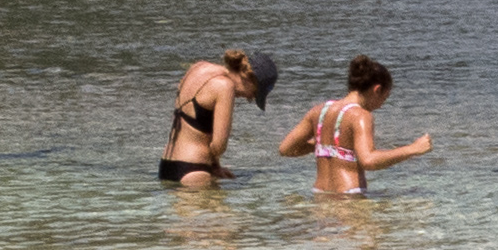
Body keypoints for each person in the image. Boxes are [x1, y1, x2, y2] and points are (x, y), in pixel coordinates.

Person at [279, 54, 433, 196]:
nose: (380, 106)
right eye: (384, 99)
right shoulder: (361, 116)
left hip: (320, 195)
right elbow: (368, 160)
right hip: (349, 195)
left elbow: (286, 149)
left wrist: (322, 143)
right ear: (377, 89)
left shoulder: (319, 111)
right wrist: (412, 149)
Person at [160, 49, 277, 188]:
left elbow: (195, 124)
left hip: (166, 166)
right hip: (195, 170)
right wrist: (214, 161)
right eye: (254, 93)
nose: (249, 98)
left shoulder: (198, 67)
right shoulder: (225, 87)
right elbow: (219, 146)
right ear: (249, 78)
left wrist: (215, 166)